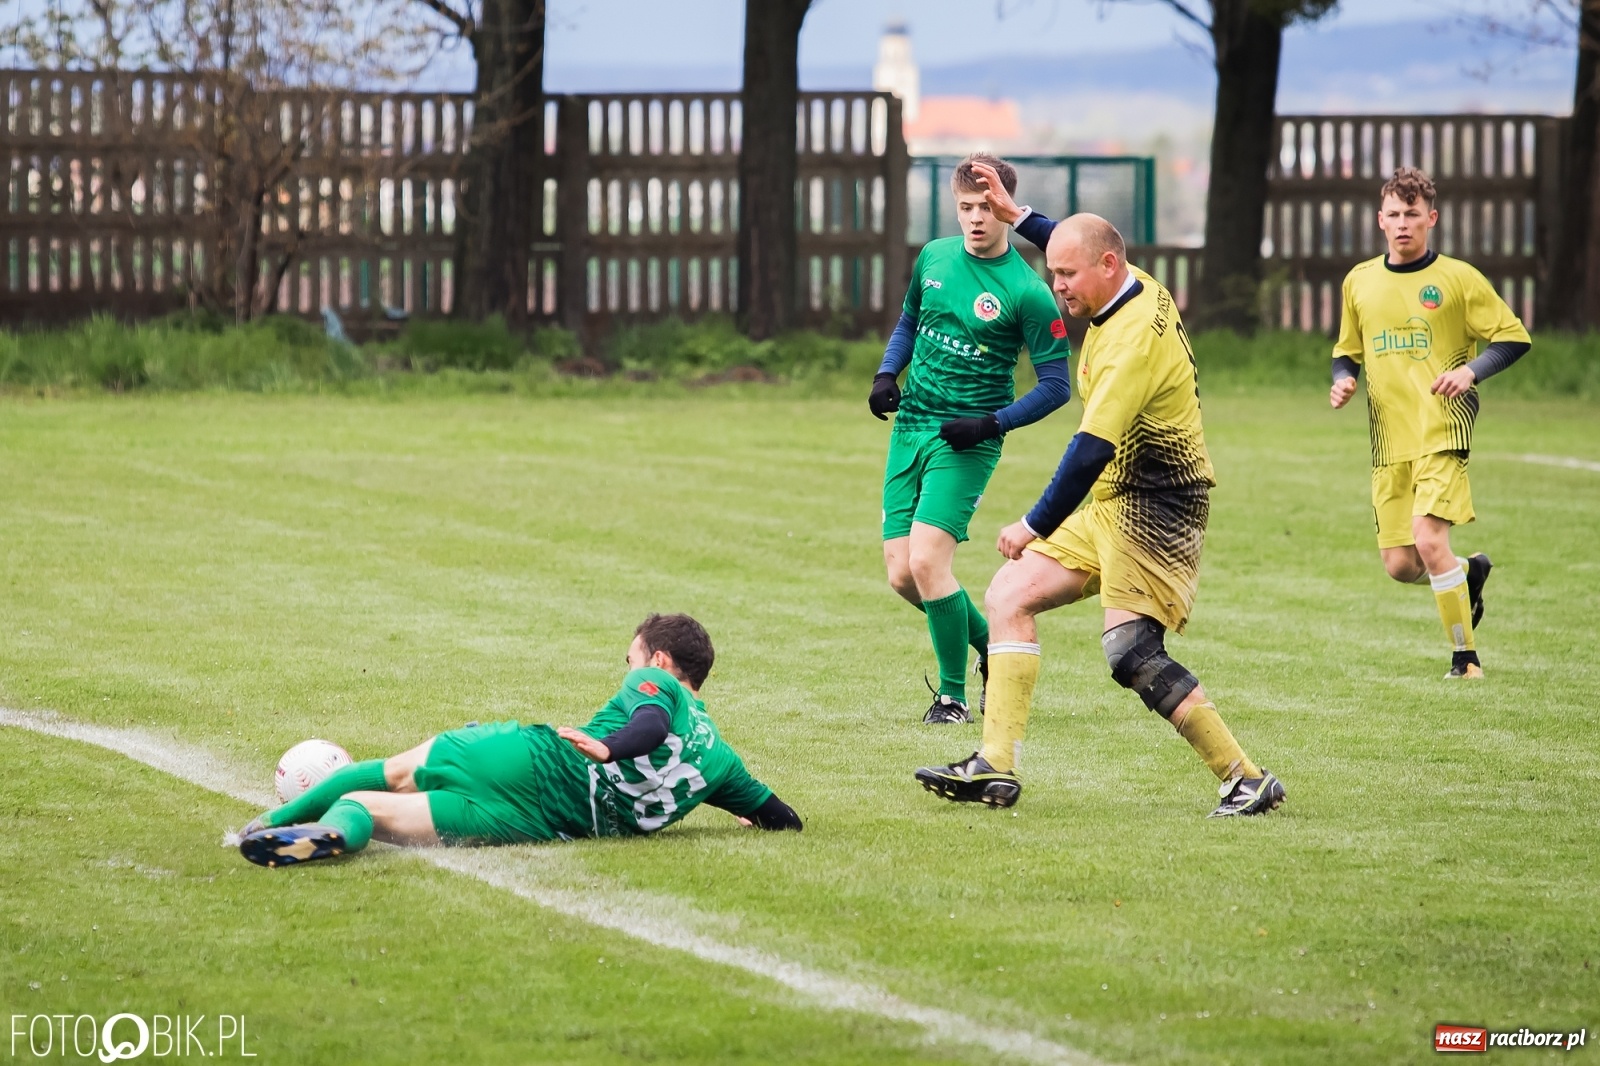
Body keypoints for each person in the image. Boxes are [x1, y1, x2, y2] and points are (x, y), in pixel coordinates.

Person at [914, 187, 1284, 817]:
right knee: (1008, 595)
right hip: (1117, 499)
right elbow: (1078, 239)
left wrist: (1033, 522)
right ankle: (994, 766)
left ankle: (1245, 777)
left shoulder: (1129, 344)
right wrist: (1018, 215)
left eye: (1066, 275)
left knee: (1131, 652)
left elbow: (1087, 452)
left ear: (1107, 267)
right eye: (1052, 273)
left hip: (1160, 504)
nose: (1057, 286)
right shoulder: (1129, 277)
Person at [237, 614, 801, 867]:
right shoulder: (724, 766)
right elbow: (786, 819)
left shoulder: (655, 684)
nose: (628, 668)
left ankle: (266, 824)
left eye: (629, 657)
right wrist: (751, 815)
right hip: (541, 826)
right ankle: (338, 831)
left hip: (530, 759)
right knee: (369, 811)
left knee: (393, 773)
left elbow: (649, 724)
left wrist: (608, 748)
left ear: (658, 659)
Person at [871, 152, 1075, 725]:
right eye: (966, 208)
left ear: (1006, 209)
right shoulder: (933, 257)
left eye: (987, 208)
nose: (976, 219)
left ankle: (953, 698)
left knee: (929, 562)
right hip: (911, 426)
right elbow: (911, 319)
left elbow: (1058, 387)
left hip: (967, 440)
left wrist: (991, 423)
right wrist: (889, 373)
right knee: (901, 574)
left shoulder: (1029, 292)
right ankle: (990, 647)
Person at [1329, 166, 1531, 679]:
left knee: (1430, 540)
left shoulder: (1458, 279)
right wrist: (1343, 380)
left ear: (1431, 219)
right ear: (1380, 219)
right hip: (1389, 440)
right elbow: (1347, 352)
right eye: (1393, 215)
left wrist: (1471, 370)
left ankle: (1466, 660)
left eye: (1412, 215)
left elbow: (1512, 337)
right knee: (1401, 566)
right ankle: (1468, 573)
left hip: (1444, 429)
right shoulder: (1360, 281)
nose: (1402, 224)